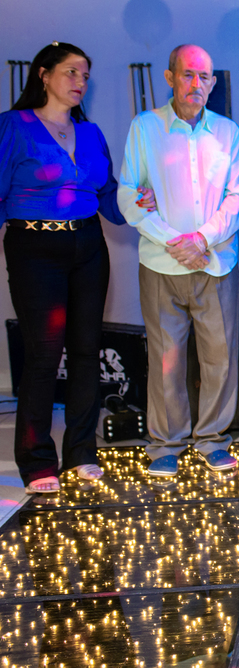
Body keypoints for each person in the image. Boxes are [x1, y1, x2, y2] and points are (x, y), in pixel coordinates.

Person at [117, 44, 239, 478]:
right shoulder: (145, 127)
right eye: (189, 74)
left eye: (205, 76)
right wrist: (175, 241)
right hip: (162, 263)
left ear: (212, 83)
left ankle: (213, 439)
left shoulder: (227, 132)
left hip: (216, 262)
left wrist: (202, 238)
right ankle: (166, 445)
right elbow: (129, 194)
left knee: (220, 358)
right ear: (170, 77)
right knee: (166, 360)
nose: (197, 83)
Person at [0, 42, 125, 495]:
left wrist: (142, 204)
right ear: (43, 74)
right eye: (71, 72)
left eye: (86, 75)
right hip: (34, 247)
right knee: (44, 354)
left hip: (88, 244)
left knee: (87, 351)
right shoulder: (13, 125)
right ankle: (37, 462)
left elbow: (109, 197)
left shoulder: (90, 132)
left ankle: (81, 452)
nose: (80, 82)